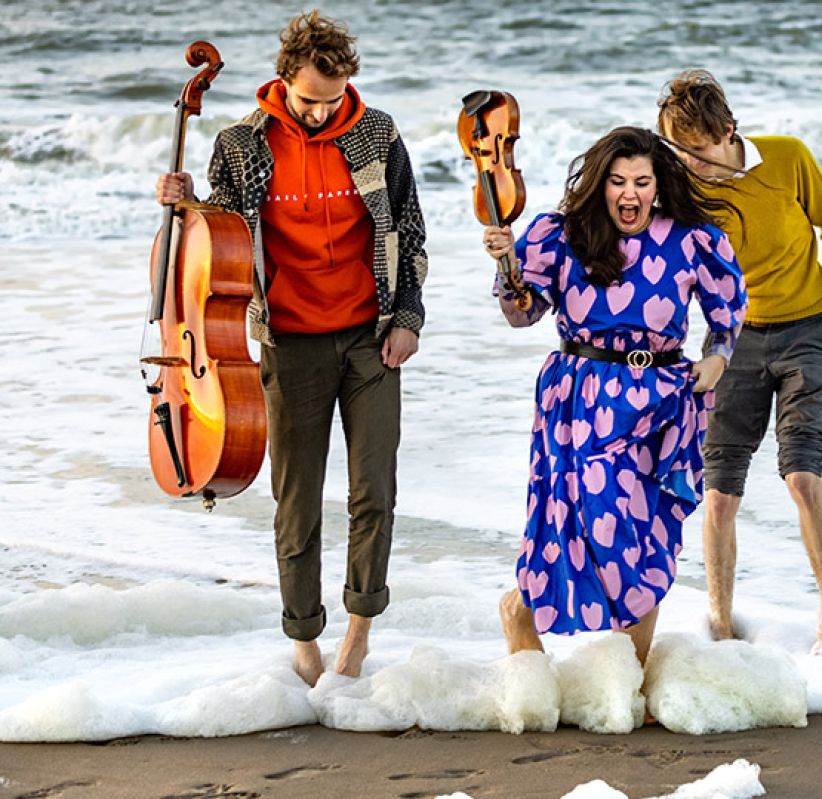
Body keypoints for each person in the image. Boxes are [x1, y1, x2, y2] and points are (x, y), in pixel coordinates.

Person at [155, 10, 428, 686]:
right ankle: (303, 635)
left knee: (374, 492)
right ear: (283, 83)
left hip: (372, 338)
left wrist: (410, 318)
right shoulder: (242, 143)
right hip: (289, 342)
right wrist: (185, 202)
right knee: (296, 499)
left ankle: (359, 632)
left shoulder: (375, 132)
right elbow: (216, 234)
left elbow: (411, 231)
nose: (320, 113)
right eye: (309, 101)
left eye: (332, 100)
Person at [484, 126, 747, 669]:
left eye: (642, 182)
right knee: (586, 523)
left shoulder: (693, 238)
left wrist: (716, 360)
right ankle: (522, 621)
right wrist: (507, 265)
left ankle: (625, 682)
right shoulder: (561, 233)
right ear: (600, 183)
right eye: (617, 181)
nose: (630, 194)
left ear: (658, 184)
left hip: (663, 403)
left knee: (648, 537)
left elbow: (727, 311)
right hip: (581, 400)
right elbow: (522, 313)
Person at [656, 69, 822, 644]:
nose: (690, 163)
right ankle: (720, 624)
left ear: (727, 130)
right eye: (680, 151)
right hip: (732, 342)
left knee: (801, 473)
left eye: (698, 150)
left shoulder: (788, 159)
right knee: (720, 490)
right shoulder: (680, 188)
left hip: (805, 331)